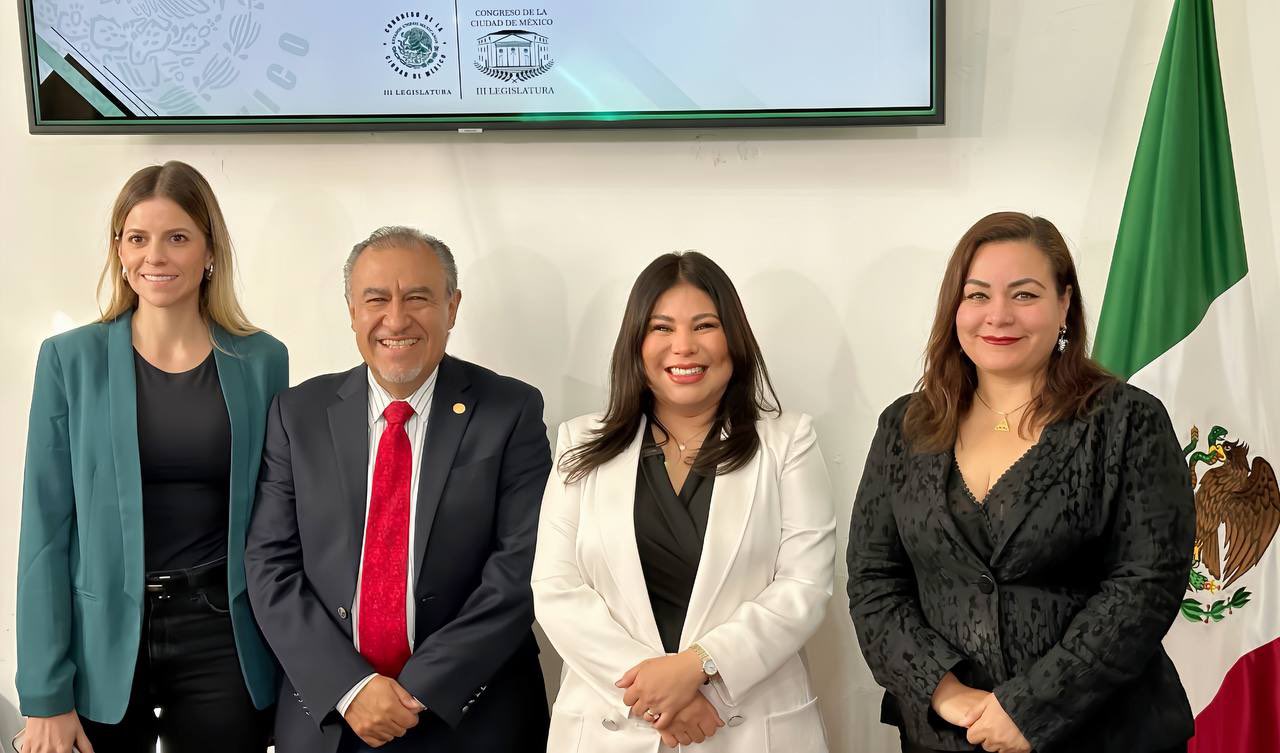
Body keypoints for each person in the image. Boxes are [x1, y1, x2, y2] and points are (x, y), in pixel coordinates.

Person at [847, 212, 1195, 753]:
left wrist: (1032, 708)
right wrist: (946, 693)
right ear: (955, 307)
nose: (999, 315)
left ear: (1064, 304)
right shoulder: (904, 426)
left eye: (1025, 295)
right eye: (977, 295)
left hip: (1106, 733)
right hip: (946, 735)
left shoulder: (1128, 419)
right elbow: (875, 581)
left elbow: (1146, 583)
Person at [245, 226, 551, 753]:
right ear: (352, 311)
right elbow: (270, 564)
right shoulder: (298, 414)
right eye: (376, 300)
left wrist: (420, 688)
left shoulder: (511, 411)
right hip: (331, 714)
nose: (395, 319)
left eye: (418, 298)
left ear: (452, 307)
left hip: (471, 712)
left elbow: (520, 567)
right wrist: (351, 688)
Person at [16, 161, 287, 753]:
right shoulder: (69, 360)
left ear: (210, 250)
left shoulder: (263, 360)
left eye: (177, 237)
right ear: (119, 250)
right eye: (137, 238)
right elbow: (44, 530)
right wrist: (44, 693)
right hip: (101, 636)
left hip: (223, 632)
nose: (155, 256)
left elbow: (278, 519)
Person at [533, 251, 836, 752]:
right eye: (662, 327)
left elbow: (804, 586)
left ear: (733, 338)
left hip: (746, 726)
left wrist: (700, 665)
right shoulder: (579, 442)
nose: (683, 346)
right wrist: (656, 693)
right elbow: (555, 587)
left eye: (704, 325)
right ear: (636, 342)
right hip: (611, 725)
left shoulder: (787, 442)